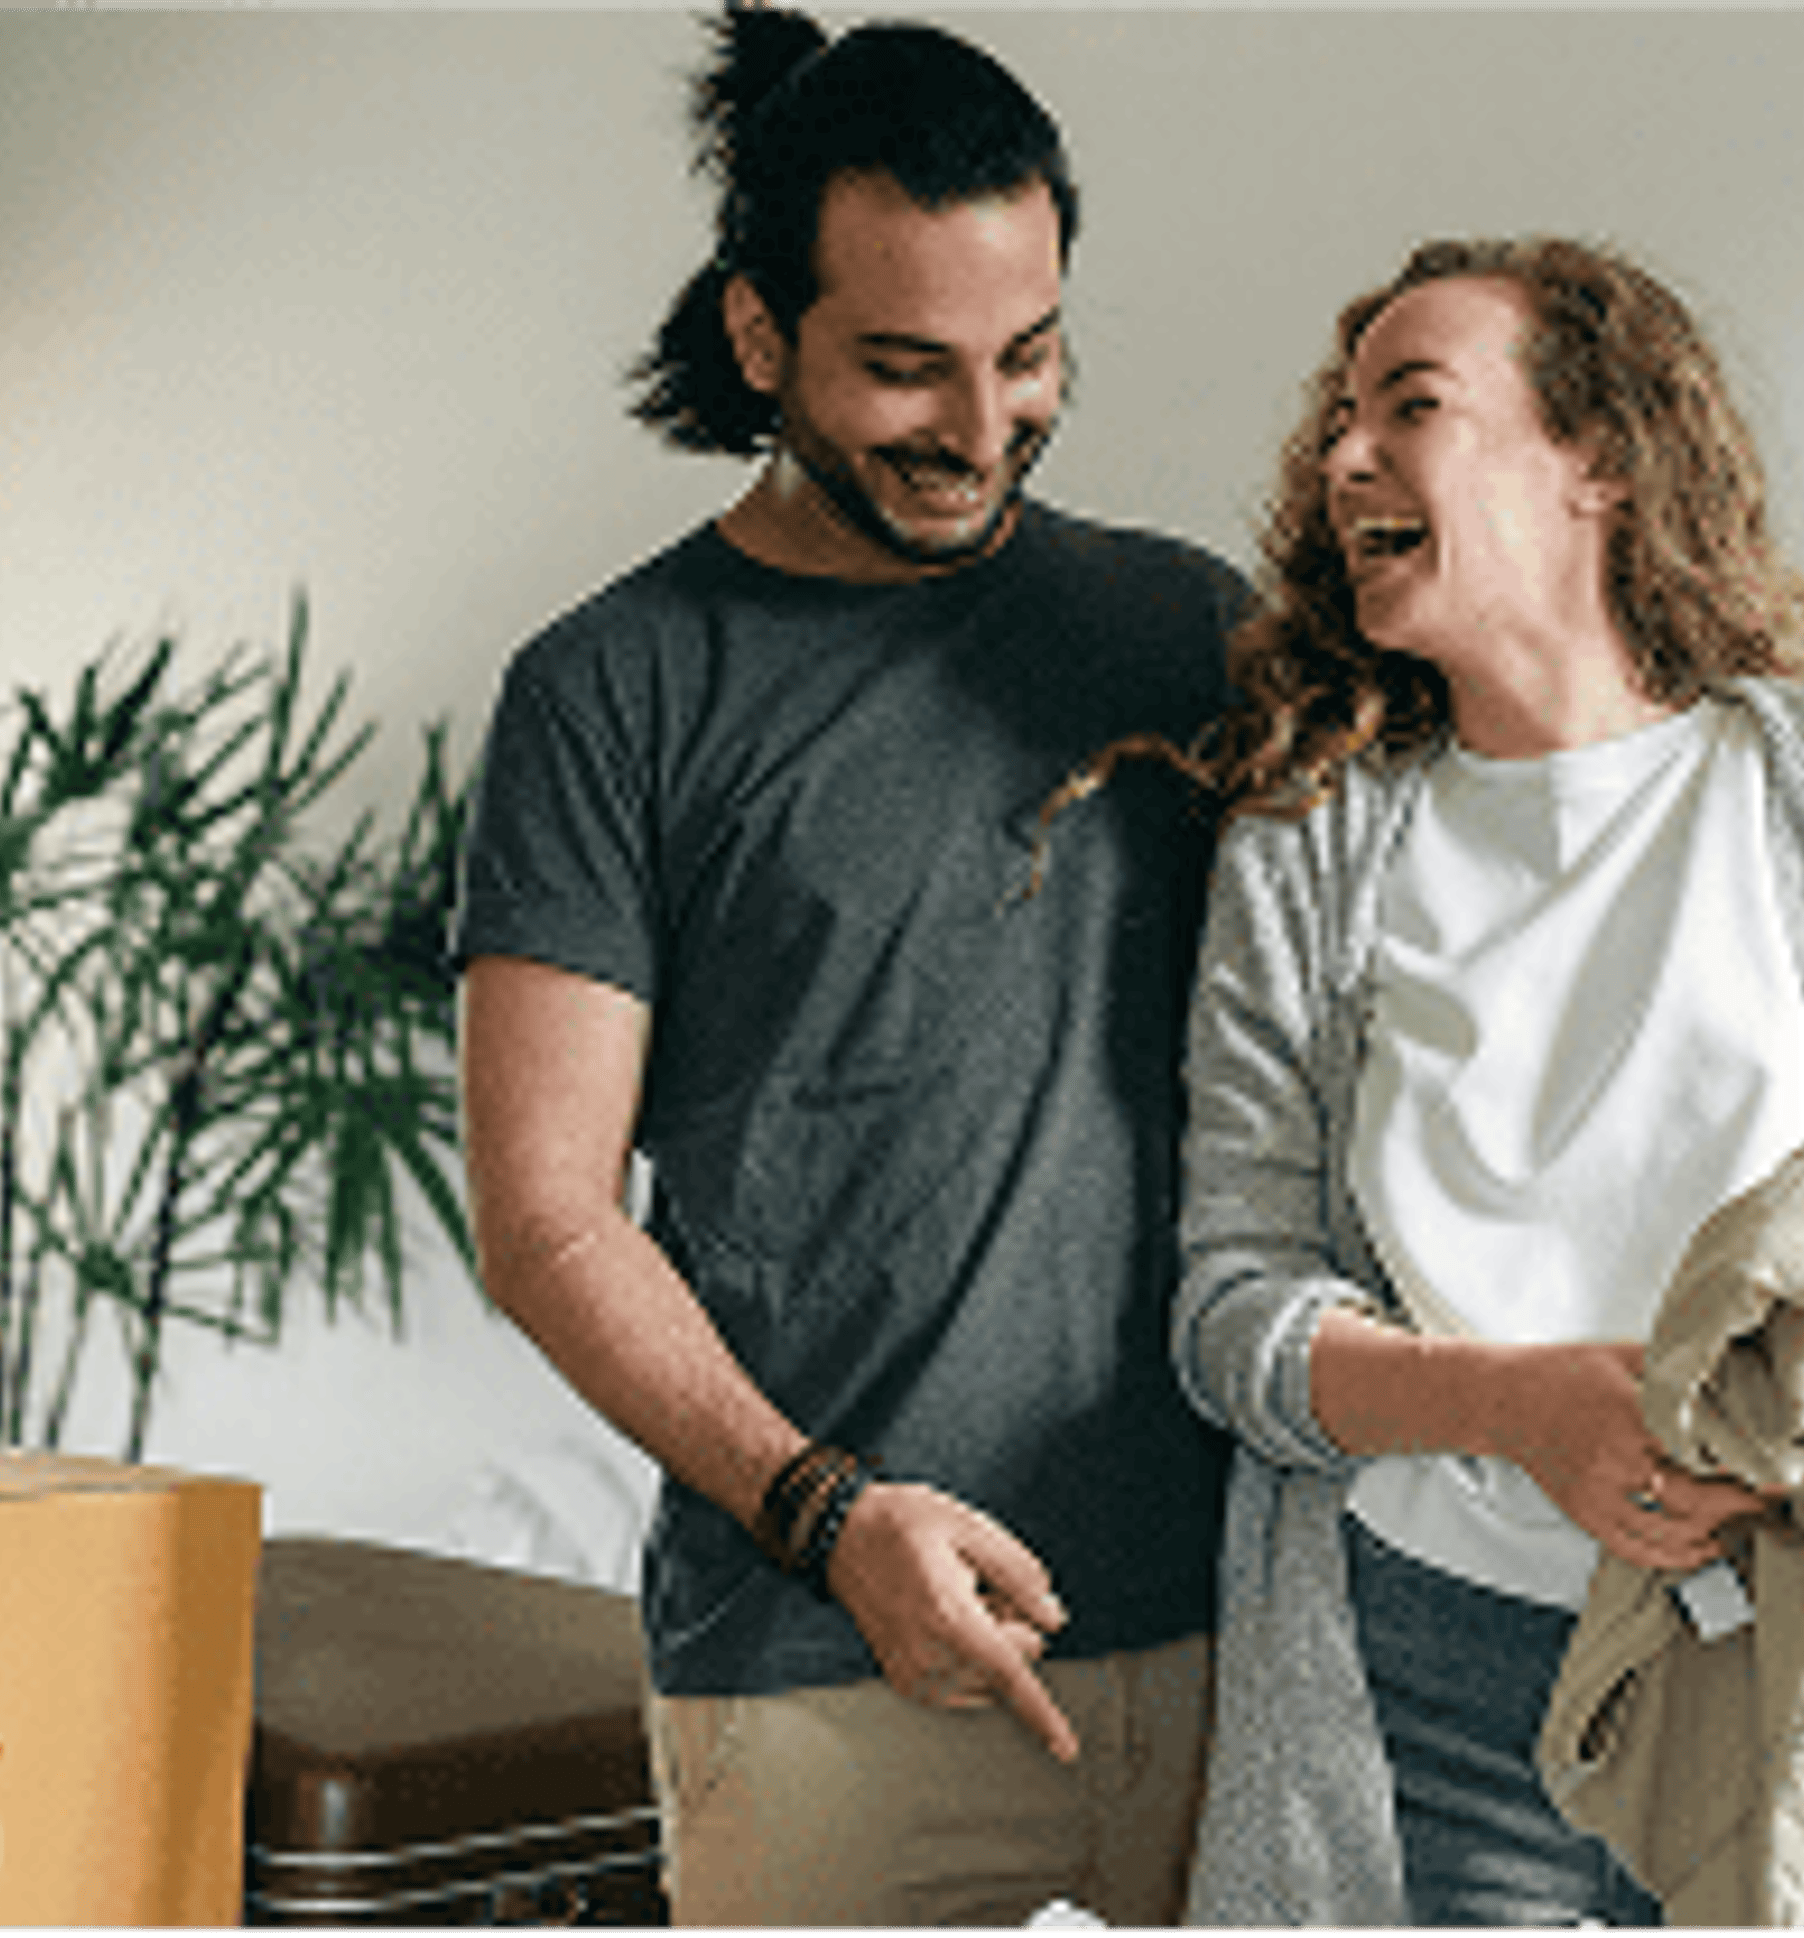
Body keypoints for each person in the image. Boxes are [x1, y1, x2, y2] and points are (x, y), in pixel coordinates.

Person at [1163, 237, 1804, 1930]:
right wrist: (1519, 1410)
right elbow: (1232, 1309)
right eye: (1341, 422)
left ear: (1601, 460)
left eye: (1409, 407)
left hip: (1801, 1652)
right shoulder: (1308, 852)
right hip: (1423, 1680)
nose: (1345, 456)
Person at [447, 7, 1243, 1927]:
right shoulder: (608, 694)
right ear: (757, 335)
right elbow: (546, 1218)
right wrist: (826, 1511)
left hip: (1232, 1647)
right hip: (821, 1669)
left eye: (1029, 354)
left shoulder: (1185, 625)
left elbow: (1501, 835)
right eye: (905, 370)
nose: (982, 430)